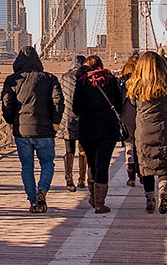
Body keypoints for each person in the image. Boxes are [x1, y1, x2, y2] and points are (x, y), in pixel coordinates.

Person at [1, 45, 64, 213]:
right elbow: (58, 101)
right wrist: (56, 122)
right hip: (45, 130)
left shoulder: (12, 80)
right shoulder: (50, 79)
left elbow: (6, 103)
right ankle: (42, 190)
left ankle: (33, 202)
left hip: (22, 131)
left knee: (27, 167)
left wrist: (11, 121)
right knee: (47, 163)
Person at [127, 50, 167, 214]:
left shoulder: (135, 85)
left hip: (143, 129)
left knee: (146, 165)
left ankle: (150, 201)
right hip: (164, 127)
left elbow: (133, 104)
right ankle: (164, 186)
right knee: (165, 162)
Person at [71, 55, 126, 214]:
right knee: (103, 164)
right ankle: (100, 203)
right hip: (107, 129)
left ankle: (93, 198)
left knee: (92, 163)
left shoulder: (81, 83)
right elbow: (119, 105)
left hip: (87, 129)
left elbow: (75, 108)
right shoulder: (111, 81)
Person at [58, 55, 86, 192]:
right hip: (83, 117)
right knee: (83, 150)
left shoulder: (64, 77)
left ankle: (69, 176)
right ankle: (82, 178)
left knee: (69, 150)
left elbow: (58, 97)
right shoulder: (86, 77)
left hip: (67, 117)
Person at [119, 54, 141, 186]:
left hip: (126, 116)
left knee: (129, 145)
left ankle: (131, 176)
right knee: (141, 145)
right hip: (141, 115)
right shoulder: (143, 80)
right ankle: (143, 174)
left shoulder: (123, 80)